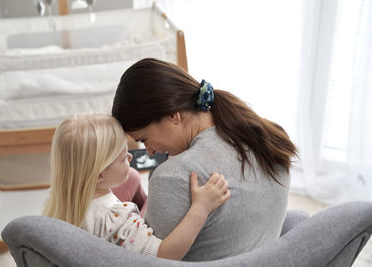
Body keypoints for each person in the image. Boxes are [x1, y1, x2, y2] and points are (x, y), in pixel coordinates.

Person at [112, 58, 298, 261]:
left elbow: (149, 261)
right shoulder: (268, 137)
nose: (149, 152)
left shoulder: (175, 175)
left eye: (144, 139)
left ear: (173, 116)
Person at [43, 113, 230, 260]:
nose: (131, 158)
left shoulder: (57, 205)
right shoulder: (114, 220)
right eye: (124, 157)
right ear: (100, 175)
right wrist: (201, 208)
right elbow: (164, 255)